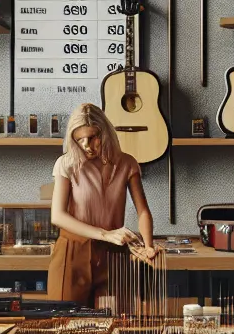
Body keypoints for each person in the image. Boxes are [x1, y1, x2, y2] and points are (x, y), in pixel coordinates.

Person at [47, 103, 160, 306]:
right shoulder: (66, 164)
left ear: (105, 132)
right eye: (79, 139)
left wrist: (148, 246)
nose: (86, 146)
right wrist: (104, 233)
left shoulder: (127, 163)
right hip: (72, 253)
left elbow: (143, 210)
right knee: (64, 325)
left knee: (118, 326)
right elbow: (57, 216)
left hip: (114, 254)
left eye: (92, 137)